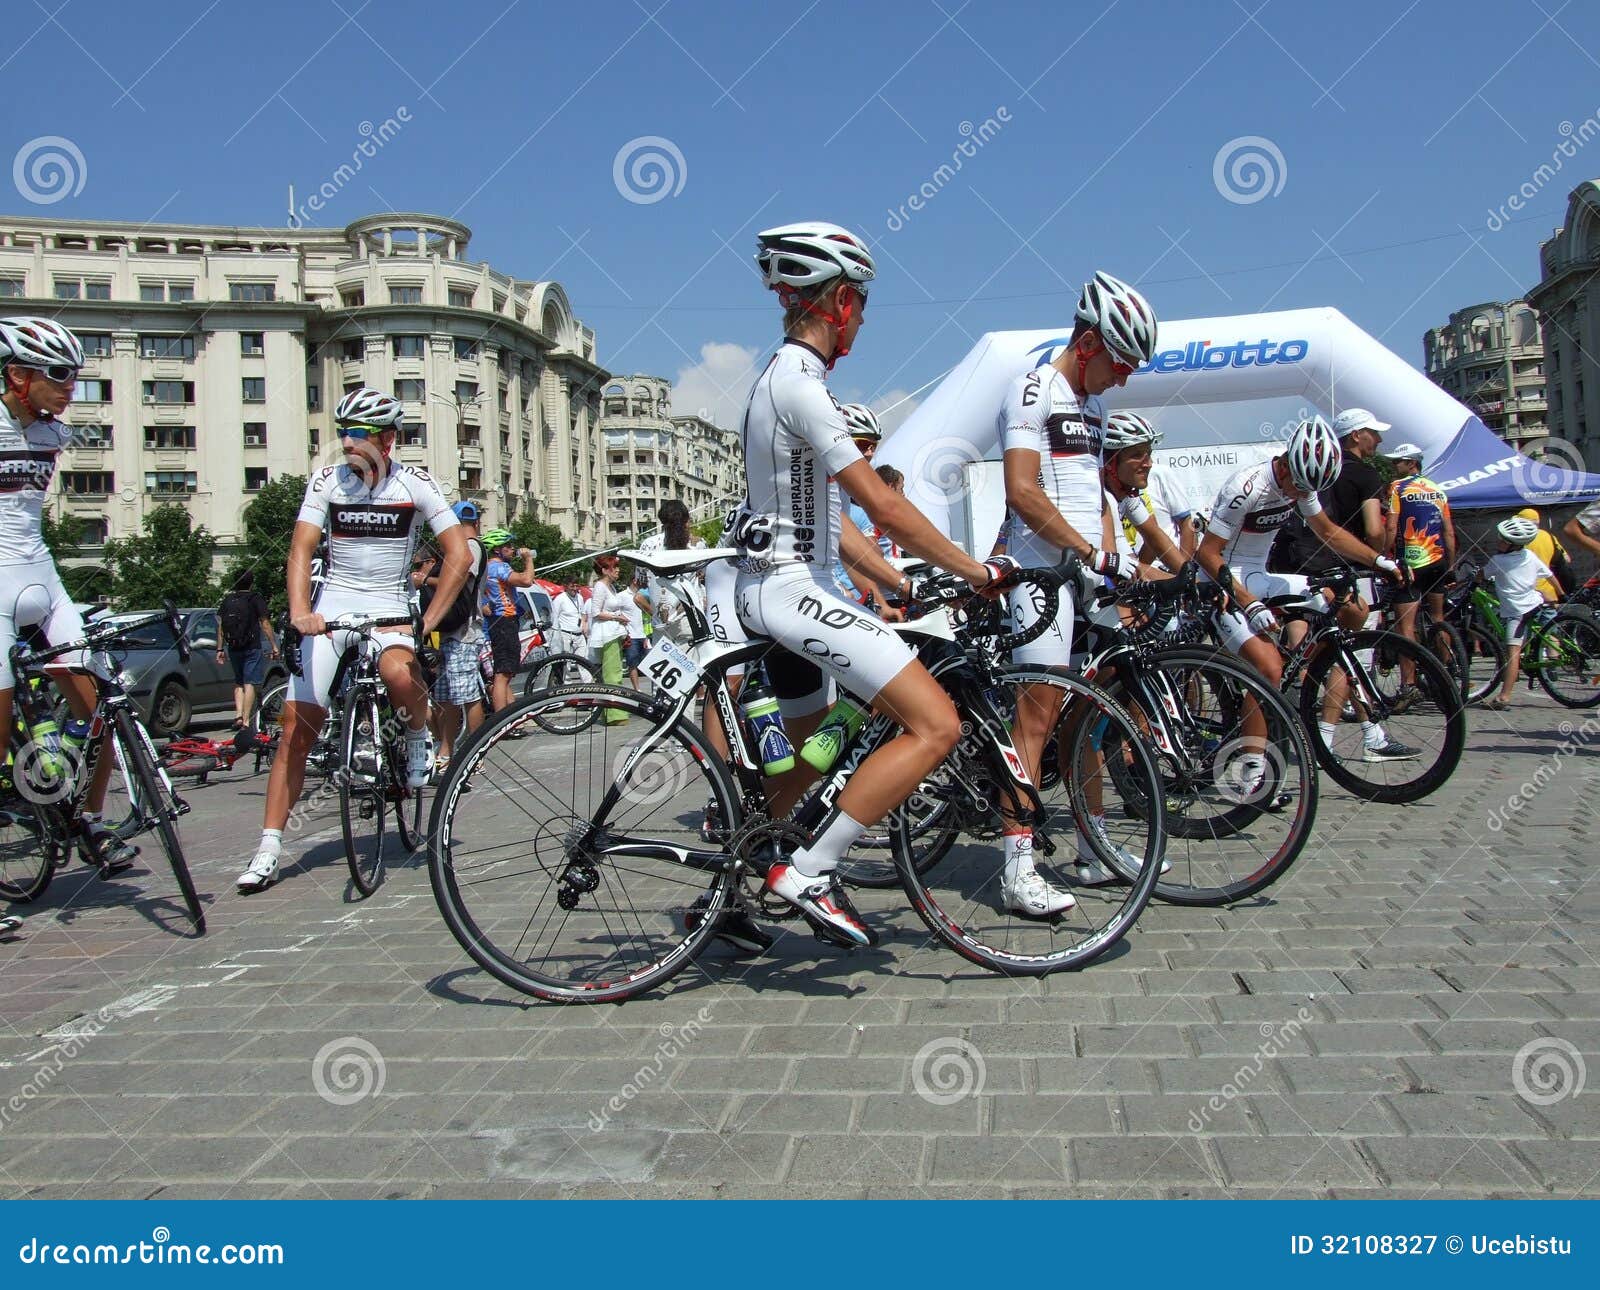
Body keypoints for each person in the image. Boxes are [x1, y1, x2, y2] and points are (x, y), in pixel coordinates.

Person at [718, 220, 1010, 949]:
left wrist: (900, 585)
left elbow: (840, 528)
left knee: (806, 755)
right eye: (862, 303)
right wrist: (975, 569)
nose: (863, 320)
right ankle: (810, 870)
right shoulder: (801, 385)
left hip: (791, 583)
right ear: (841, 302)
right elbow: (881, 505)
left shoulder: (789, 380)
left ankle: (729, 892)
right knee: (936, 723)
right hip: (791, 591)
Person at [235, 386, 470, 893]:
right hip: (333, 606)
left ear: (387, 439)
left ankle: (413, 737)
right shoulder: (328, 481)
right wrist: (301, 612)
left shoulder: (416, 483)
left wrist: (427, 619)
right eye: (341, 433)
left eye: (357, 434)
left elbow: (460, 554)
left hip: (390, 605)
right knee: (297, 730)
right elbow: (301, 549)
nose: (346, 443)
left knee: (398, 673)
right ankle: (270, 845)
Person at [998, 272, 1162, 906]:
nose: (1124, 377)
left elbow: (1092, 491)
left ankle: (1092, 845)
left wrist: (1108, 554)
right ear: (1090, 342)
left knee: (1093, 712)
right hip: (1039, 573)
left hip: (1081, 569)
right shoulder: (1030, 390)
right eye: (1120, 362)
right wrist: (1088, 551)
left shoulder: (1095, 404)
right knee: (1034, 718)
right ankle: (1016, 869)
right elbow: (1022, 491)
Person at [1196, 416, 1412, 761]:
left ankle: (1317, 664)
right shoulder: (1247, 486)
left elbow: (1327, 531)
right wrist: (1249, 603)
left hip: (1261, 576)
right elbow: (1206, 553)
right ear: (1284, 464)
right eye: (1296, 485)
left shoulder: (1303, 483)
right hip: (1222, 581)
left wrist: (1378, 561)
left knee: (1353, 609)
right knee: (1267, 669)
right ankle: (1253, 772)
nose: (1299, 494)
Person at [0, 317, 134, 869]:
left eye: (75, 374)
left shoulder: (53, 432)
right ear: (17, 376)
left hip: (42, 577)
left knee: (104, 703)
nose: (71, 386)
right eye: (58, 374)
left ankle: (91, 823)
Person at [1382, 444, 1456, 705]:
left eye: (1397, 463)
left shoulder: (1398, 488)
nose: (1394, 468)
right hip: (1437, 561)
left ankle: (1408, 685)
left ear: (1411, 463)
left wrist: (1382, 555)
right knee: (1437, 618)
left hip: (1410, 564)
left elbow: (1391, 526)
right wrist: (1451, 564)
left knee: (1406, 628)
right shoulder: (1438, 490)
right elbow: (1448, 531)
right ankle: (1446, 676)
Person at [425, 501, 486, 770]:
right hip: (454, 633)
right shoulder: (469, 545)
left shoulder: (470, 547)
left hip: (464, 632)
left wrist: (424, 580)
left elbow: (458, 579)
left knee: (467, 695)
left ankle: (477, 753)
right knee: (448, 697)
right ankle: (447, 752)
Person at [1481, 516, 1559, 710]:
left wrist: (1470, 580)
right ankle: (1546, 658)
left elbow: (1481, 575)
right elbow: (1550, 575)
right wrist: (1562, 594)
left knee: (1512, 654)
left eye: (1501, 539)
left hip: (1518, 613)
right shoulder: (1529, 556)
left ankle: (1504, 697)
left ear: (1510, 544)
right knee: (1546, 634)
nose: (1497, 541)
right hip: (1536, 604)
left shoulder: (1498, 560)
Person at [478, 528, 535, 714]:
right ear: (497, 550)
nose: (513, 549)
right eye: (508, 546)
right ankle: (501, 720)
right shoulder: (498, 567)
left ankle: (509, 716)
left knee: (505, 673)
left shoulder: (487, 568)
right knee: (502, 674)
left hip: (501, 621)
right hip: (504, 622)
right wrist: (528, 559)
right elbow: (526, 580)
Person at [636, 500, 707, 645]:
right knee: (694, 665)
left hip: (660, 624)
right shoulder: (698, 544)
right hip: (691, 619)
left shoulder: (648, 545)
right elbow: (704, 575)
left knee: (663, 667)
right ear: (687, 521)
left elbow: (640, 581)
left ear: (662, 521)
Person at [215, 570, 278, 730]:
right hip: (252, 646)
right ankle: (246, 719)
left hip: (233, 646)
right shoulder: (255, 599)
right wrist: (274, 645)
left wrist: (220, 648)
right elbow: (264, 623)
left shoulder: (228, 600)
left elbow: (221, 627)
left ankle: (237, 714)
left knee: (238, 681)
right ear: (251, 582)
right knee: (250, 682)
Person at [1517, 507, 1572, 602]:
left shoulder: (1519, 539)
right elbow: (1567, 559)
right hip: (1550, 591)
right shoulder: (1549, 536)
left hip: (1528, 592)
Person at [549, 574, 587, 656]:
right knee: (566, 664)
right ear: (566, 586)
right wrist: (555, 636)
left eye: (577, 586)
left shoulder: (580, 597)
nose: (575, 588)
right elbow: (554, 618)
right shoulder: (560, 599)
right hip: (566, 635)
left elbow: (582, 613)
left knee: (584, 662)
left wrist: (584, 625)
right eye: (572, 586)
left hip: (579, 635)